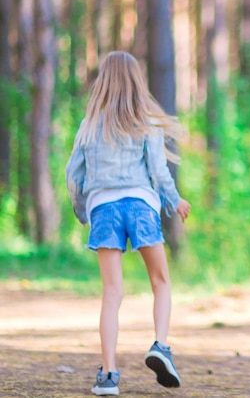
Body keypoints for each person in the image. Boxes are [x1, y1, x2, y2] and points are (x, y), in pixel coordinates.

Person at [65, 51, 191, 396]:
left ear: (102, 83)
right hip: (140, 205)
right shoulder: (145, 123)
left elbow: (72, 176)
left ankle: (108, 375)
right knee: (161, 281)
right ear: (137, 81)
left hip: (103, 208)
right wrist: (174, 199)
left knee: (111, 293)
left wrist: (83, 212)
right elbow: (158, 171)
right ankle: (160, 346)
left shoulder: (89, 126)